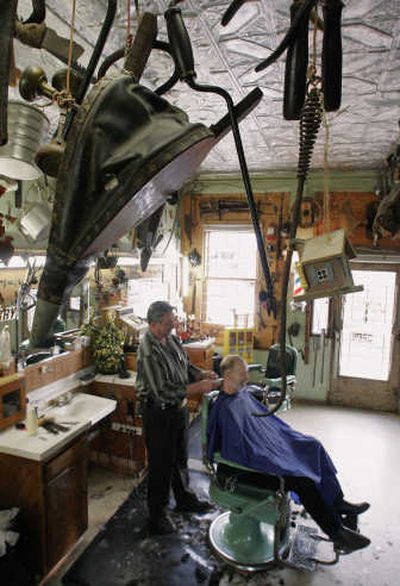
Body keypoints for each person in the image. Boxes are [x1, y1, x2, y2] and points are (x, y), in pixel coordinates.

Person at [207, 354, 371, 554]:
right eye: (243, 374)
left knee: (312, 446)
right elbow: (236, 450)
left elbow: (264, 425)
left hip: (263, 452)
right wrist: (273, 457)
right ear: (228, 374)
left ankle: (338, 503)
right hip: (244, 469)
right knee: (302, 481)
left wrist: (283, 440)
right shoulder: (224, 408)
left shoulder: (241, 396)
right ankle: (337, 533)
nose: (247, 378)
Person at [136, 301, 221, 535]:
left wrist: (200, 374)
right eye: (168, 321)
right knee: (161, 465)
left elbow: (184, 365)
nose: (173, 323)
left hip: (178, 410)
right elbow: (161, 391)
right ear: (154, 324)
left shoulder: (171, 339)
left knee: (179, 458)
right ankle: (156, 515)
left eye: (172, 319)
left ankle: (184, 499)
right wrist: (198, 388)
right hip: (159, 413)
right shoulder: (148, 350)